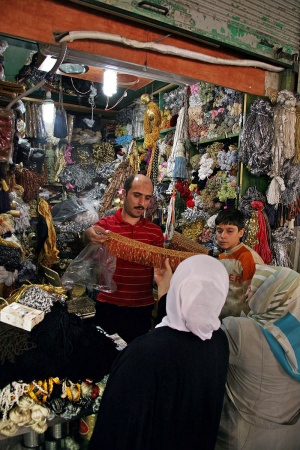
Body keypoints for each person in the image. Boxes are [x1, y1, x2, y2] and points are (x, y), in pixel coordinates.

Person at [88, 255, 230, 450]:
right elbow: (183, 332)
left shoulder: (143, 353)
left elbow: (114, 428)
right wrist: (164, 288)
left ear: (179, 289)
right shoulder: (218, 341)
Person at [215, 264, 300, 450]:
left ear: (270, 297)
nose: (247, 295)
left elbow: (200, 354)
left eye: (254, 291)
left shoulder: (242, 331)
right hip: (290, 438)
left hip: (242, 437)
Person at [84, 174, 164, 343]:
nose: (142, 203)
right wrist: (87, 234)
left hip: (141, 309)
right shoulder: (107, 225)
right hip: (109, 305)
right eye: (137, 195)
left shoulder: (155, 232)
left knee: (134, 359)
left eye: (147, 198)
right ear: (124, 193)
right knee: (104, 355)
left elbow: (160, 270)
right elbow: (89, 235)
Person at [215, 208, 264, 318]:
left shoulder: (248, 258)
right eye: (219, 230)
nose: (223, 236)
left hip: (241, 323)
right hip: (223, 320)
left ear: (241, 232)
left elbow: (256, 298)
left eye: (230, 231)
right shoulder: (222, 257)